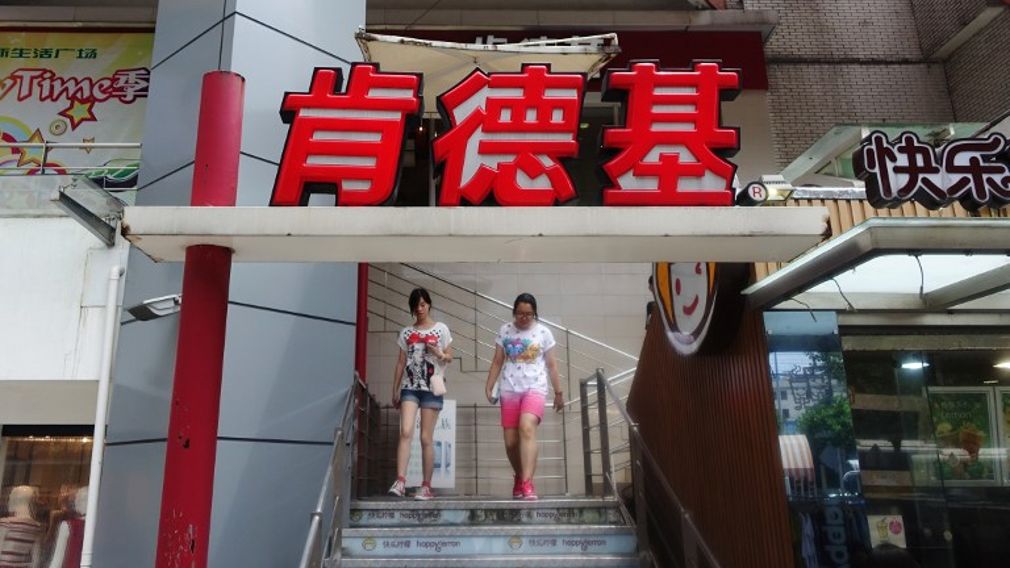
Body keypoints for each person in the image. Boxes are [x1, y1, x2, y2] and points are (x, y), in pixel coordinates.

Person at [485, 292, 564, 500]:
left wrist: (558, 392)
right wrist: (489, 384)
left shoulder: (544, 333)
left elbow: (552, 365)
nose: (524, 317)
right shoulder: (505, 330)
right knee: (511, 442)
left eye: (528, 314)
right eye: (520, 313)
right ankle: (519, 476)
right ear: (514, 312)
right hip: (509, 389)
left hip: (535, 387)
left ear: (534, 314)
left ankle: (528, 483)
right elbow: (497, 361)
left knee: (527, 427)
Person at [388, 288, 452, 500]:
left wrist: (439, 353)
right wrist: (395, 388)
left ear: (429, 305)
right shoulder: (406, 332)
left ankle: (426, 486)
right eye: (416, 305)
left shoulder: (441, 329)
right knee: (405, 431)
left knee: (426, 437)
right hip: (410, 386)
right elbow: (399, 363)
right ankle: (400, 481)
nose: (419, 308)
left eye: (423, 304)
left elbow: (449, 358)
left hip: (432, 388)